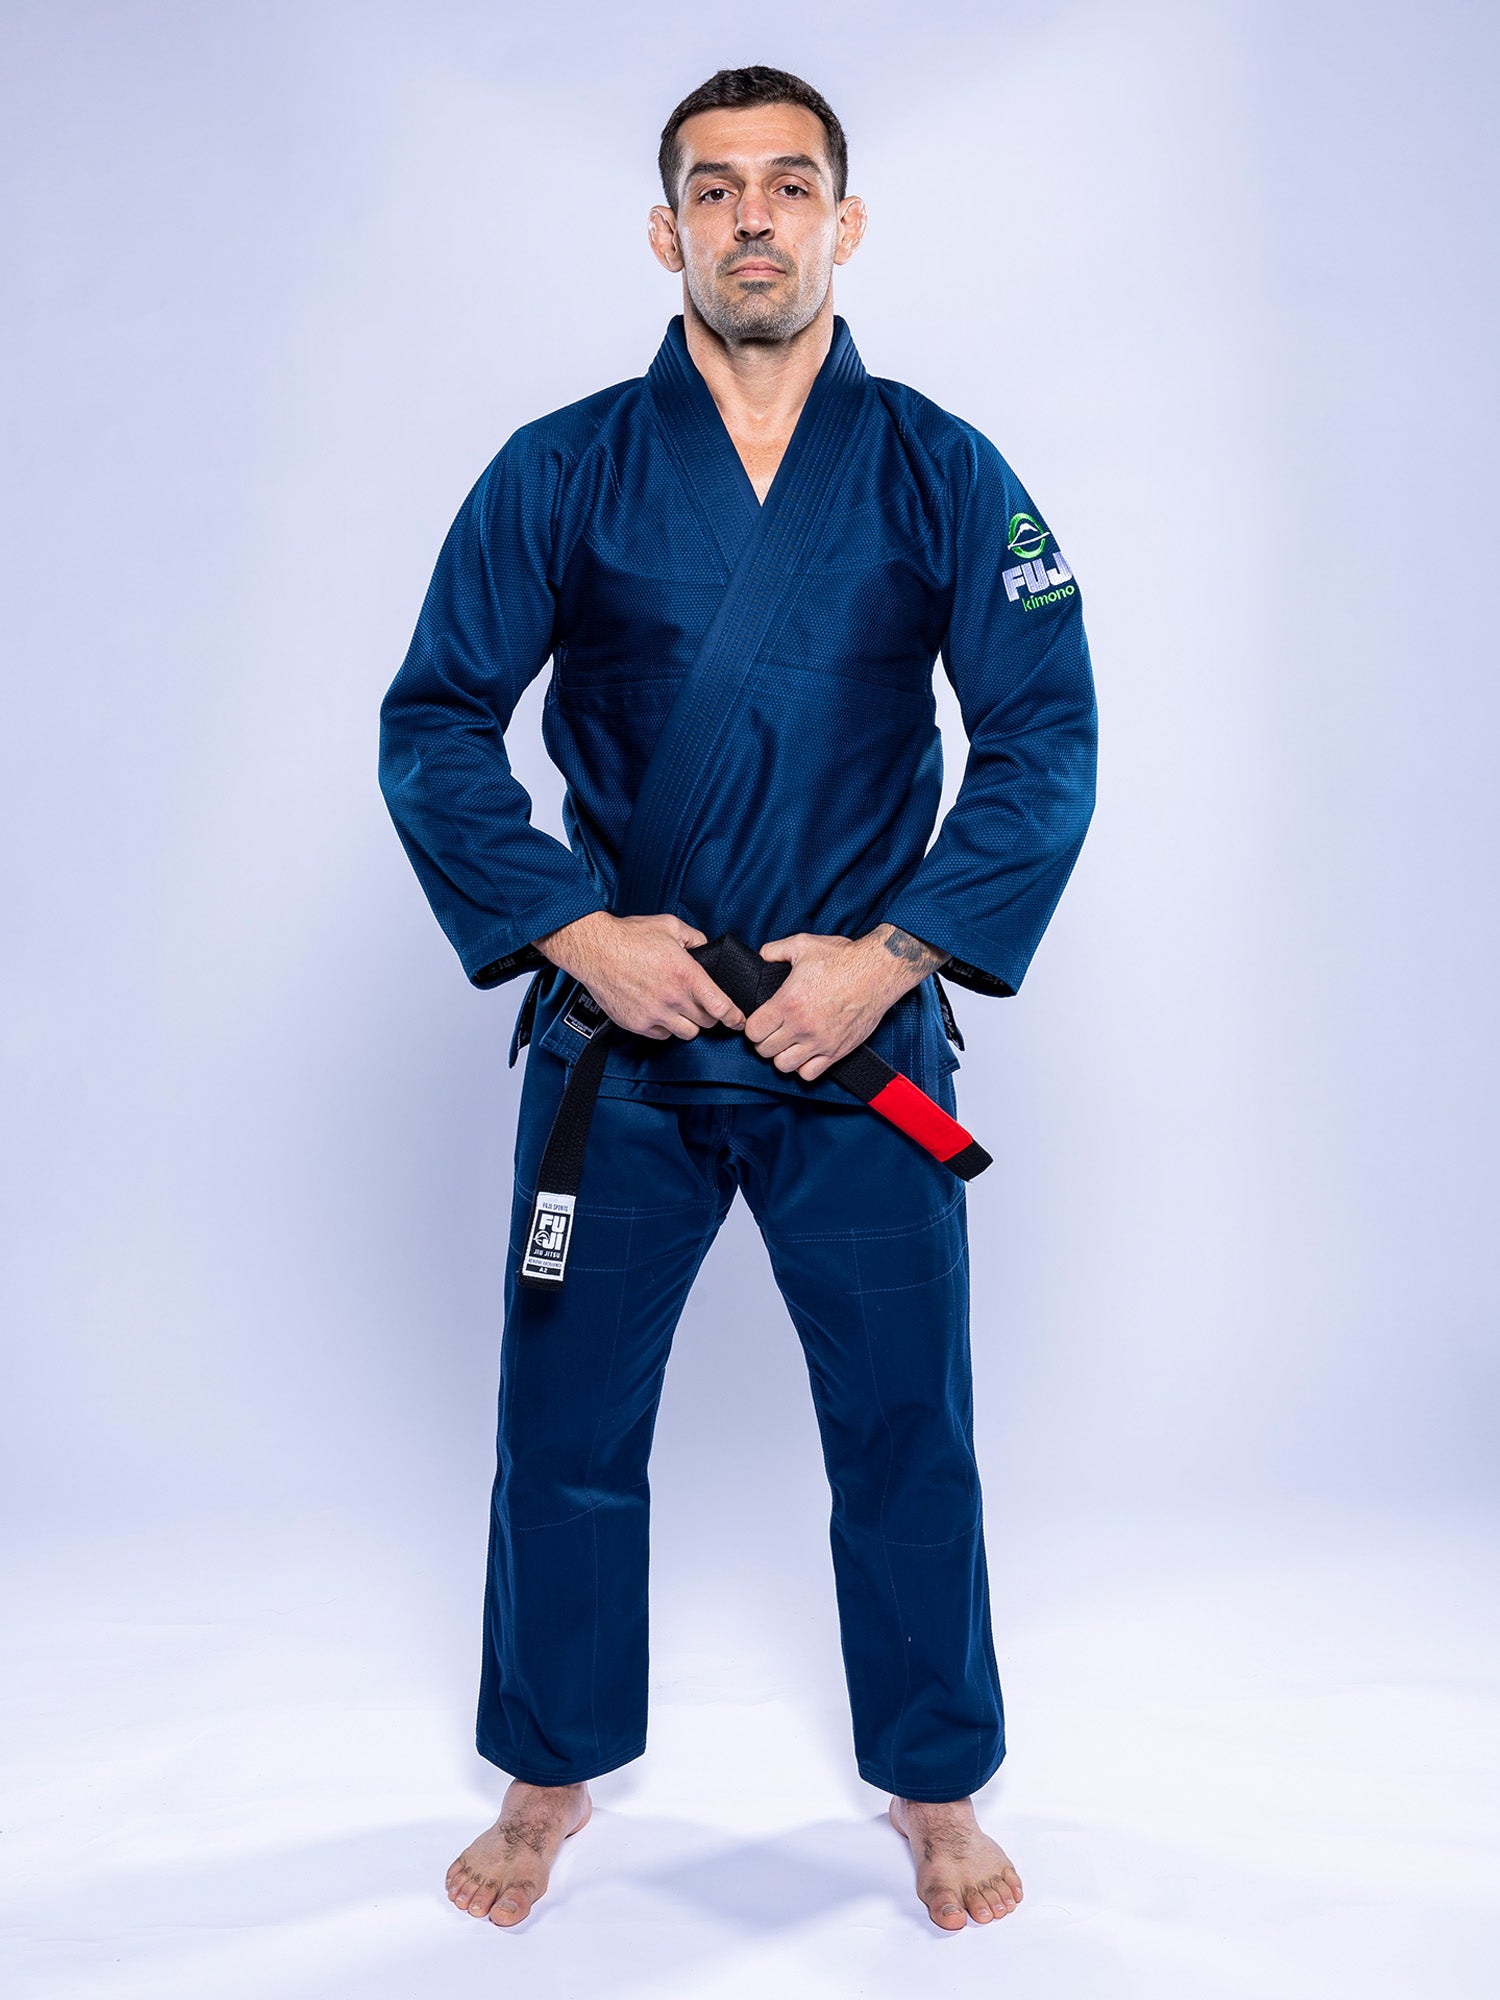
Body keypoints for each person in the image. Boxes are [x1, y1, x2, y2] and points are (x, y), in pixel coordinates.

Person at [378, 64, 1096, 1932]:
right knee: (564, 1425)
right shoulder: (561, 467)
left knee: (904, 1429)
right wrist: (569, 931)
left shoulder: (943, 466)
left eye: (791, 186)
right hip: (625, 1046)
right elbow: (438, 722)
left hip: (861, 1054)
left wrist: (897, 956)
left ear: (845, 225)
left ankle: (934, 1787)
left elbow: (1041, 734)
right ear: (666, 229)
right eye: (717, 189)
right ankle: (548, 1775)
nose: (754, 217)